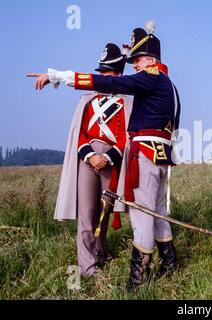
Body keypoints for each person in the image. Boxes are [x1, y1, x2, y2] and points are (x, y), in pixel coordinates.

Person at [28, 22, 181, 289]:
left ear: (152, 60)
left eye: (139, 59)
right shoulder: (169, 84)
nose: (135, 65)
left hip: (144, 154)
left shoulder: (151, 77)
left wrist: (58, 76)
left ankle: (138, 282)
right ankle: (169, 265)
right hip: (161, 154)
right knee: (157, 213)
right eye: (132, 60)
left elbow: (108, 81)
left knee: (142, 216)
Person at [35, 43, 131, 278]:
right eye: (100, 72)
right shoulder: (87, 101)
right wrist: (91, 156)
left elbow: (123, 137)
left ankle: (99, 253)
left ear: (117, 75)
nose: (100, 76)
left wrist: (107, 157)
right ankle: (87, 268)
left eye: (106, 73)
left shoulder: (126, 103)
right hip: (87, 160)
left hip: (111, 161)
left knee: (104, 212)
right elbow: (80, 134)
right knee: (87, 213)